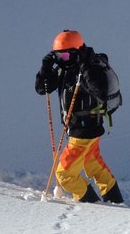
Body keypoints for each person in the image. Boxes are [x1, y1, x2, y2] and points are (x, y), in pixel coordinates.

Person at [36, 30, 124, 204]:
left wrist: (85, 67)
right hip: (83, 129)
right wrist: (46, 68)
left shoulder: (89, 67)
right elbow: (42, 89)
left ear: (77, 51)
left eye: (66, 55)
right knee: (93, 164)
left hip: (84, 130)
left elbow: (100, 90)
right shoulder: (65, 68)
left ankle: (92, 205)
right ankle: (115, 200)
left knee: (64, 174)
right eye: (58, 56)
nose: (63, 59)